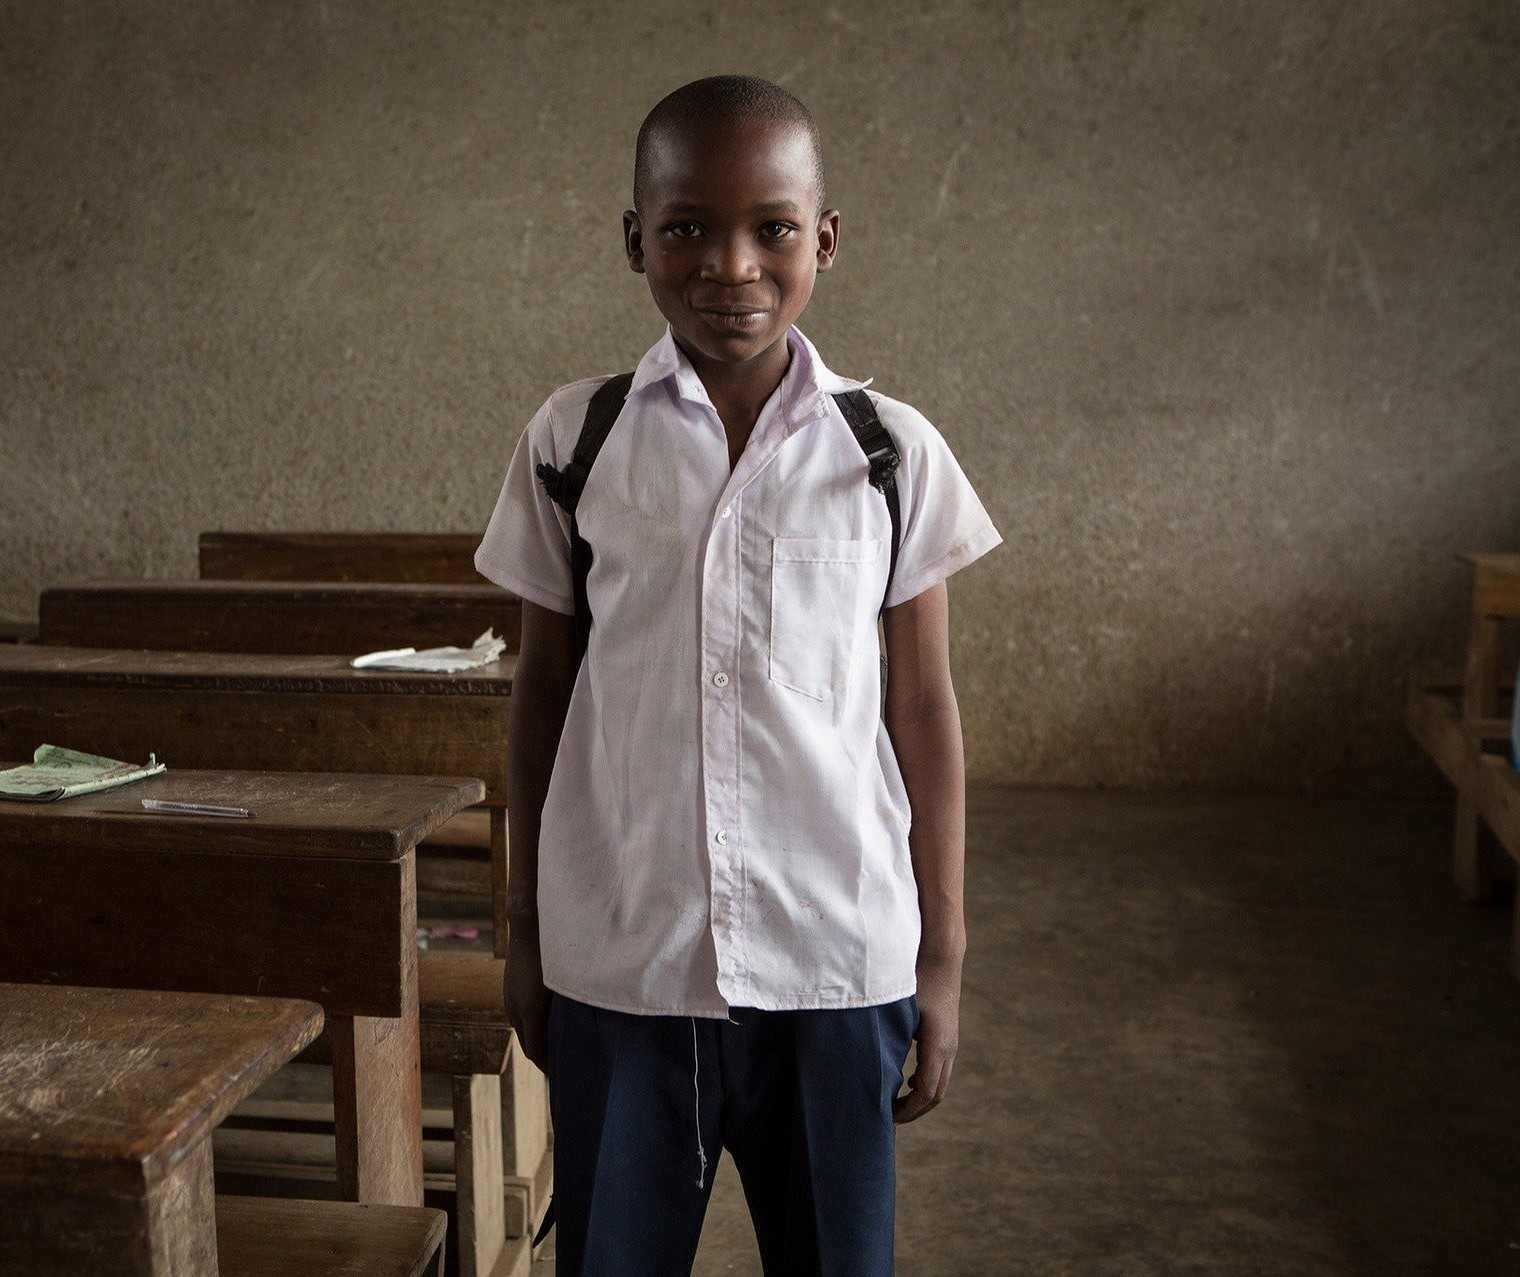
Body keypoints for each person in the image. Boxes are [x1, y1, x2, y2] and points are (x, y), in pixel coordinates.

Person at [475, 74, 1001, 1277]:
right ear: (632, 241)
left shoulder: (885, 448)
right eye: (684, 229)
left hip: (834, 960)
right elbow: (544, 691)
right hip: (626, 956)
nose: (729, 265)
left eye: (770, 228)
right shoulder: (576, 438)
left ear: (823, 239)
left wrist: (942, 958)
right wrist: (524, 928)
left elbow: (920, 710)